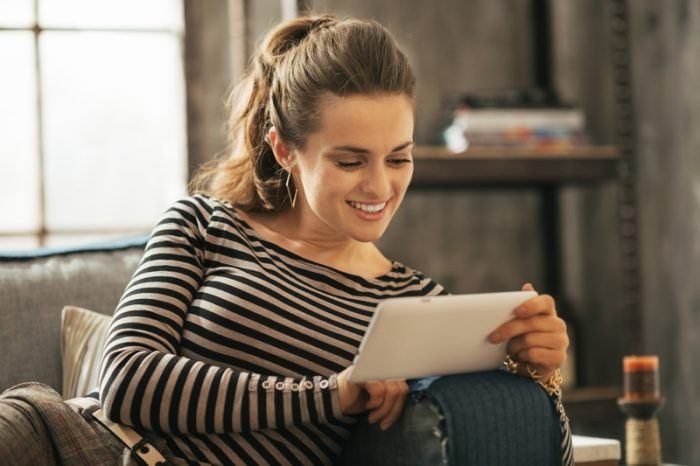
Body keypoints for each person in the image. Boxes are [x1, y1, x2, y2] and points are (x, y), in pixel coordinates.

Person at [0, 13, 572, 466]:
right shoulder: (203, 224)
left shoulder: (421, 306)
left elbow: (521, 453)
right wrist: (331, 394)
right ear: (283, 150)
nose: (379, 185)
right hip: (60, 442)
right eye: (350, 161)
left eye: (399, 158)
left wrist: (540, 377)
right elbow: (125, 378)